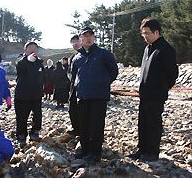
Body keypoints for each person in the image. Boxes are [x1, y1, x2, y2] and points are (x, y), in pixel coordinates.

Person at [128, 18, 178, 161]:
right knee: (143, 122)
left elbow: (172, 74)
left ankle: (152, 151)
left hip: (156, 94)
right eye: (143, 33)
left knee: (153, 122)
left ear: (156, 32)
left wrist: (162, 88)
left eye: (147, 33)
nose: (145, 36)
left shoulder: (166, 49)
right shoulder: (147, 49)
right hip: (144, 94)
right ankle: (142, 149)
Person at [71, 26, 118, 164]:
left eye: (91, 35)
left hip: (99, 96)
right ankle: (84, 148)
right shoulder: (77, 57)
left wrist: (102, 83)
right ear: (81, 39)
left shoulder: (104, 54)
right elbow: (72, 75)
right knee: (83, 124)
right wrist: (78, 86)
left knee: (96, 125)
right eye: (85, 36)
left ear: (94, 38)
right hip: (82, 95)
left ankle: (95, 152)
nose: (88, 38)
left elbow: (113, 71)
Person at [14, 42, 44, 145]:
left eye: (35, 48)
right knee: (22, 117)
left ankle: (34, 133)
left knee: (38, 116)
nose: (32, 50)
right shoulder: (21, 61)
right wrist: (26, 60)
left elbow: (42, 78)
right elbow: (19, 66)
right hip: (22, 95)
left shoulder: (40, 63)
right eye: (30, 47)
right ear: (25, 50)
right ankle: (21, 136)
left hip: (36, 95)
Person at [67, 34, 82, 136]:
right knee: (72, 108)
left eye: (76, 41)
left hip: (84, 87)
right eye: (73, 42)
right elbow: (69, 72)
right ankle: (76, 128)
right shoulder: (72, 57)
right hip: (74, 87)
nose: (75, 44)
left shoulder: (87, 54)